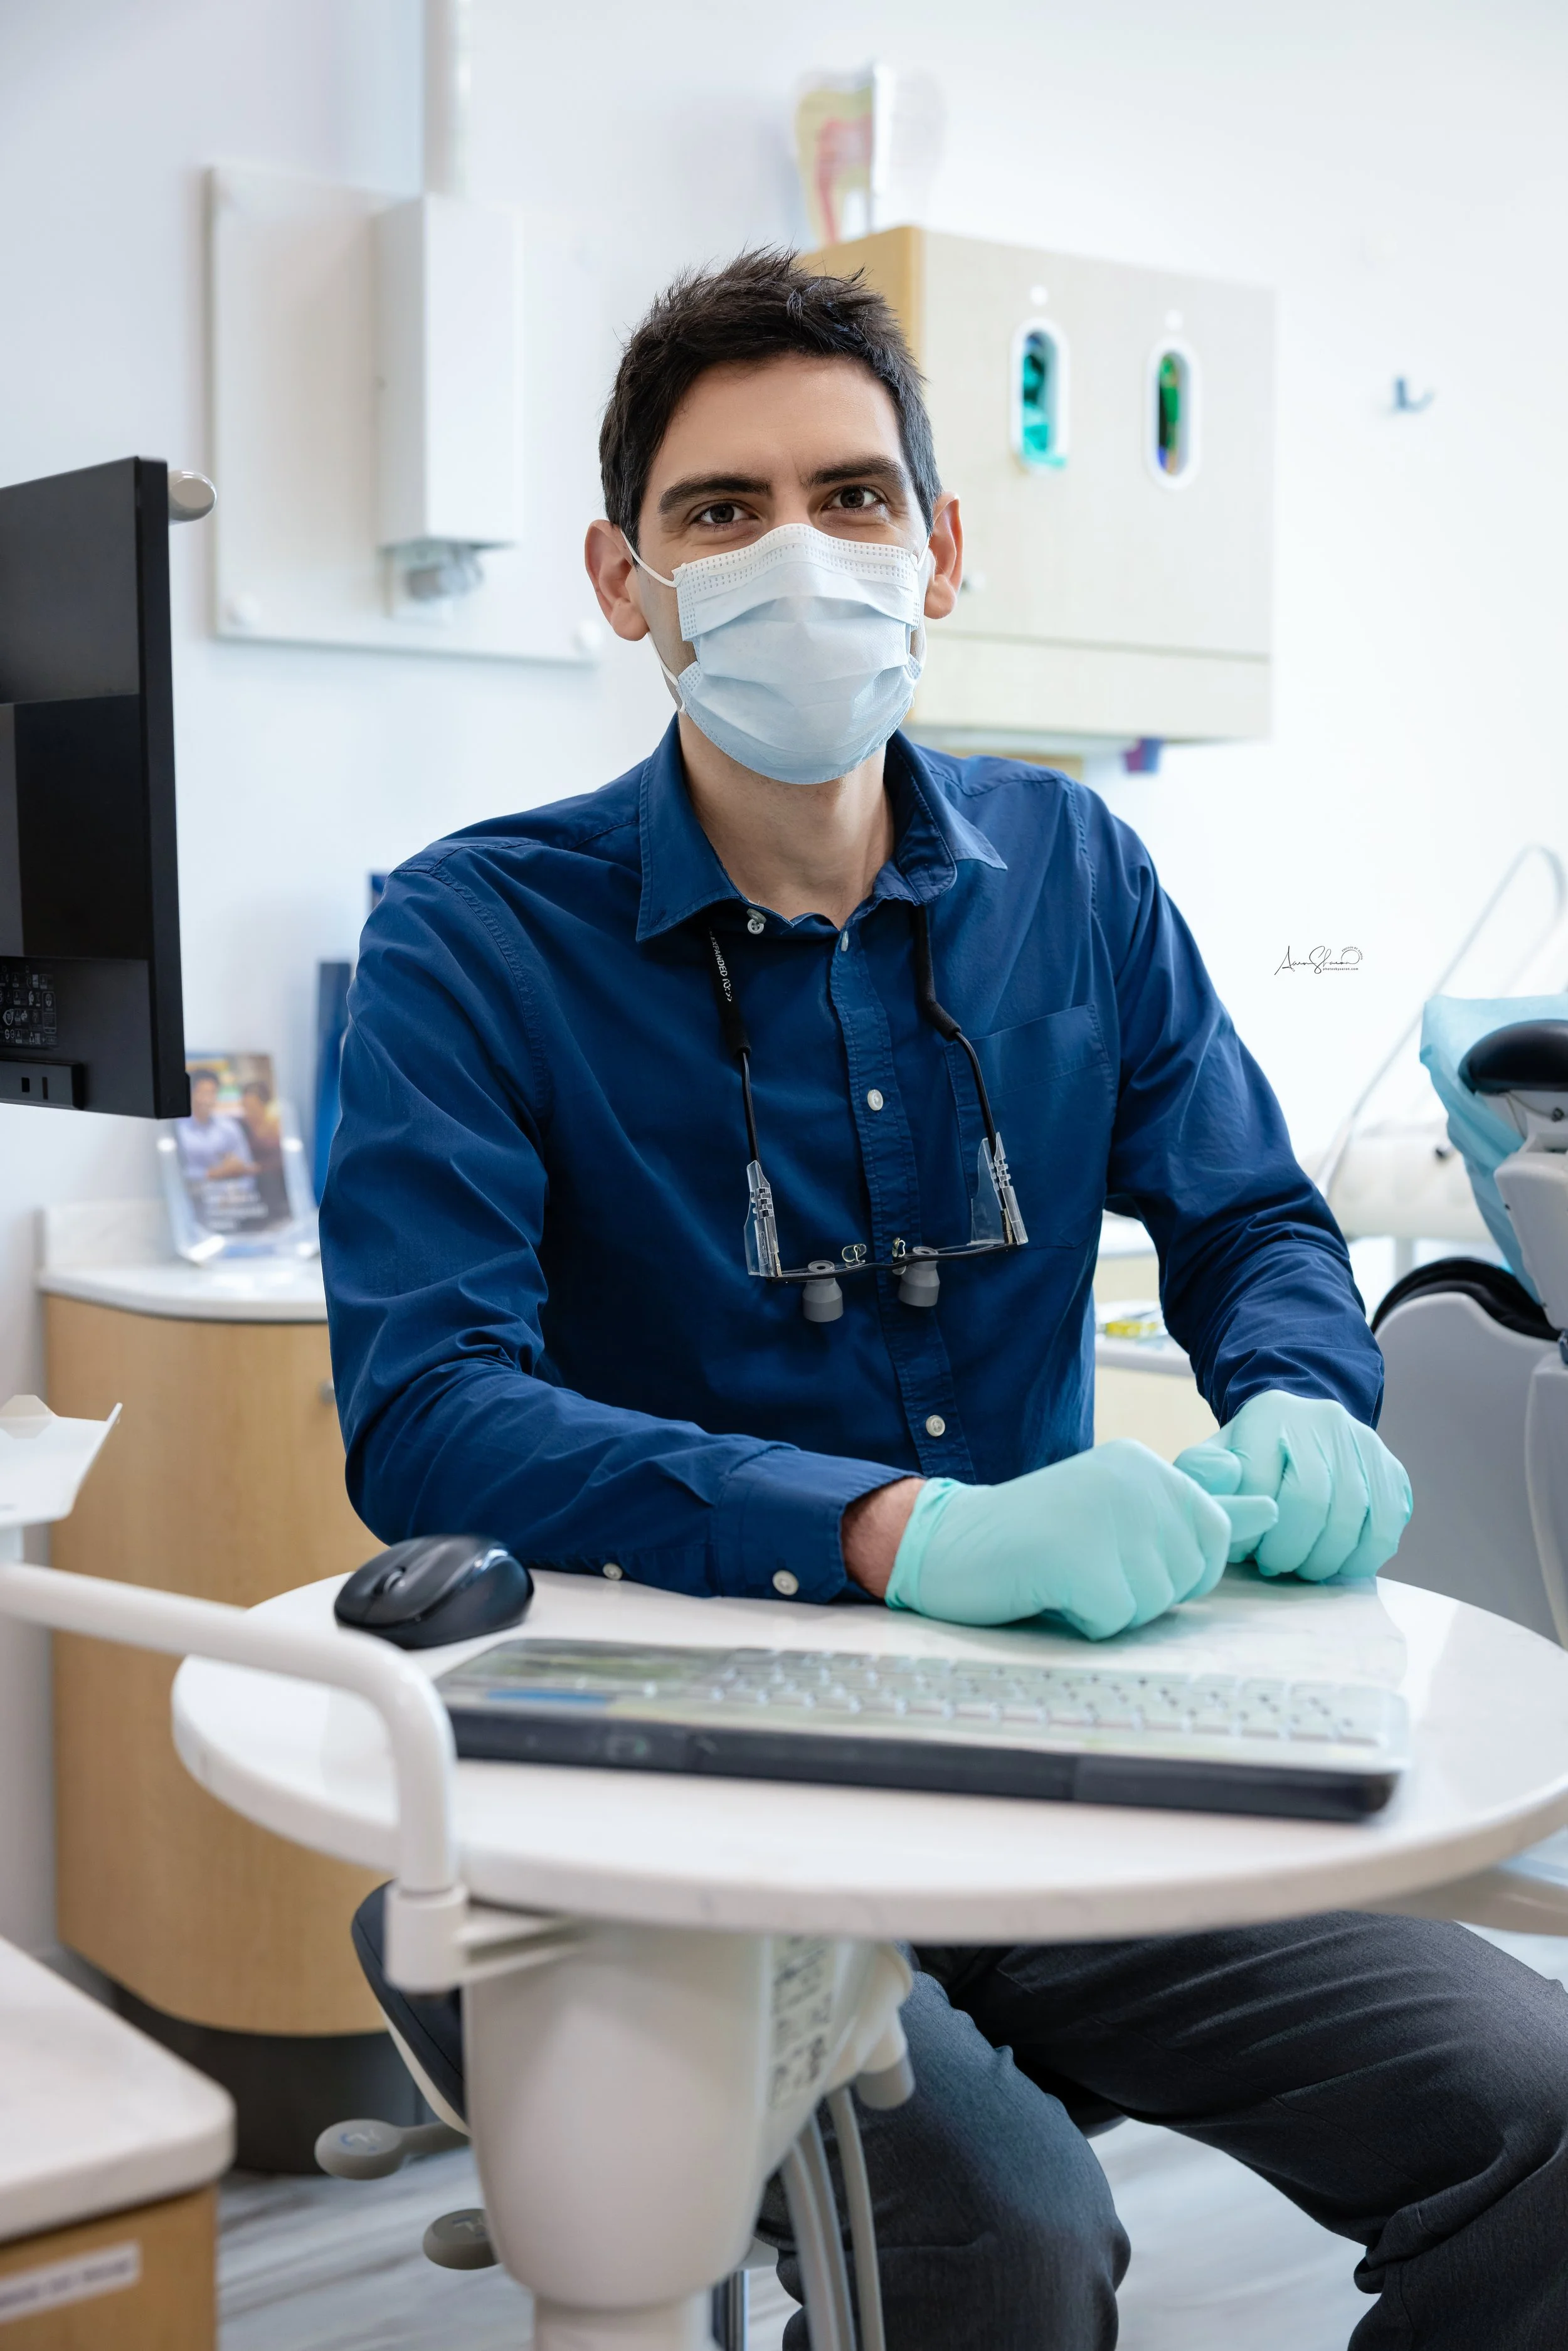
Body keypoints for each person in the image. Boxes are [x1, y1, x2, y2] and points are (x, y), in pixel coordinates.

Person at [321, 252, 1568, 2350]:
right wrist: (894, 1528)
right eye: (720, 511)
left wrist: (1298, 1391)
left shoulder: (1072, 873)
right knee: (998, 2239)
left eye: (851, 492)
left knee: (1541, 2115)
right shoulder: (472, 935)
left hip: (1047, 1737)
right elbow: (428, 1410)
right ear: (624, 579)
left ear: (941, 545)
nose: (795, 550)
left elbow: (1255, 1215)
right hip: (692, 1772)